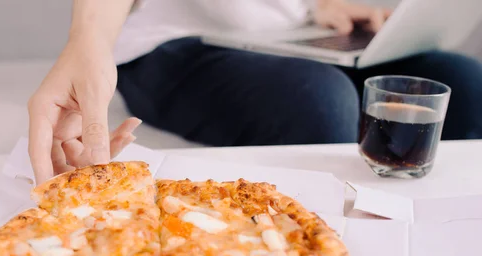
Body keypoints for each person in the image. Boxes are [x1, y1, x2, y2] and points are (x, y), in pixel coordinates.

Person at [28, 0, 482, 183]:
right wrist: (86, 38)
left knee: (462, 83)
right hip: (170, 44)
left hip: (286, 35)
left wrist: (319, 4)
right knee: (319, 100)